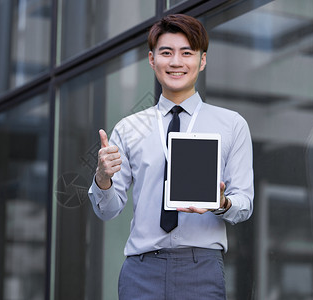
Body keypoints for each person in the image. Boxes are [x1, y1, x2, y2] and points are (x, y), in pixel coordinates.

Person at [88, 14, 253, 300]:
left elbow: (245, 205)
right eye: (166, 53)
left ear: (202, 61)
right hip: (141, 270)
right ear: (152, 60)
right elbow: (108, 210)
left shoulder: (232, 125)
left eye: (187, 53)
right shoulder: (129, 128)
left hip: (201, 268)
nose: (176, 62)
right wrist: (102, 179)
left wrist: (222, 203)